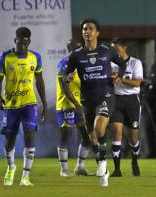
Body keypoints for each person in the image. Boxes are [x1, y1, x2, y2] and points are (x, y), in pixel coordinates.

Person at [60, 19, 126, 187]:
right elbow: (65, 75)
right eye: (84, 29)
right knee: (92, 137)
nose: (87, 32)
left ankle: (103, 163)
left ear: (97, 33)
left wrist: (118, 75)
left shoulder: (107, 50)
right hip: (87, 100)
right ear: (82, 33)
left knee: (99, 128)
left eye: (90, 29)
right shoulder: (76, 55)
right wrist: (67, 77)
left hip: (105, 95)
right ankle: (103, 170)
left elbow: (122, 63)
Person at [0, 27, 47, 186]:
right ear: (15, 41)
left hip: (29, 104)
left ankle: (25, 177)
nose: (22, 47)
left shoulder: (35, 57)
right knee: (9, 141)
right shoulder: (5, 57)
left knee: (30, 136)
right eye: (20, 43)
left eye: (25, 43)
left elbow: (39, 80)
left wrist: (44, 104)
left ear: (29, 42)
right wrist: (0, 97)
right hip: (11, 105)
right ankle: (11, 168)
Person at [56, 39, 93, 177]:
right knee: (65, 136)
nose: (79, 51)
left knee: (86, 137)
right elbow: (64, 87)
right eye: (76, 48)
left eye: (80, 48)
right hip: (66, 105)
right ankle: (64, 170)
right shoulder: (64, 64)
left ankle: (79, 167)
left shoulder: (82, 65)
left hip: (79, 105)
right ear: (70, 49)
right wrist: (77, 105)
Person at [109, 37, 143, 177]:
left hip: (132, 101)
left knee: (133, 137)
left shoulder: (135, 63)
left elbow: (137, 83)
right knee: (117, 131)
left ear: (123, 48)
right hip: (117, 100)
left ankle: (134, 161)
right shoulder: (111, 64)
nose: (115, 52)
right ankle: (117, 169)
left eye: (116, 49)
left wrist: (121, 79)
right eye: (113, 50)